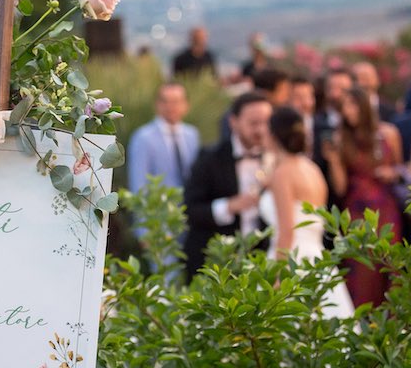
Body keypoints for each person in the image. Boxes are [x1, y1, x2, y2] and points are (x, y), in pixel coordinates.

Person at [259, 107, 354, 317]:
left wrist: (277, 278)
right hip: (317, 258)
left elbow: (287, 231)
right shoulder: (312, 169)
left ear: (274, 135)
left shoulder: (283, 173)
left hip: (291, 258)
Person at [323, 87, 403, 307]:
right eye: (345, 106)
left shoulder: (388, 134)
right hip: (356, 211)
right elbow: (340, 188)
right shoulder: (341, 138)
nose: (348, 111)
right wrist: (333, 161)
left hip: (386, 209)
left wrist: (392, 173)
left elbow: (401, 169)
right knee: (361, 271)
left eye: (353, 105)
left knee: (389, 265)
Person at [184, 92, 273, 276]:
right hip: (217, 263)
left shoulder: (276, 158)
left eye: (266, 122)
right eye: (254, 123)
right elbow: (191, 209)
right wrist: (229, 206)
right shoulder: (209, 158)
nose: (261, 130)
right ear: (234, 122)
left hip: (262, 261)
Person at [127, 83, 201, 194]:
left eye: (176, 102)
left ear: (186, 105)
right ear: (157, 104)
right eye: (165, 101)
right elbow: (138, 184)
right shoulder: (143, 137)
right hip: (157, 203)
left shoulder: (192, 135)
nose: (170, 107)